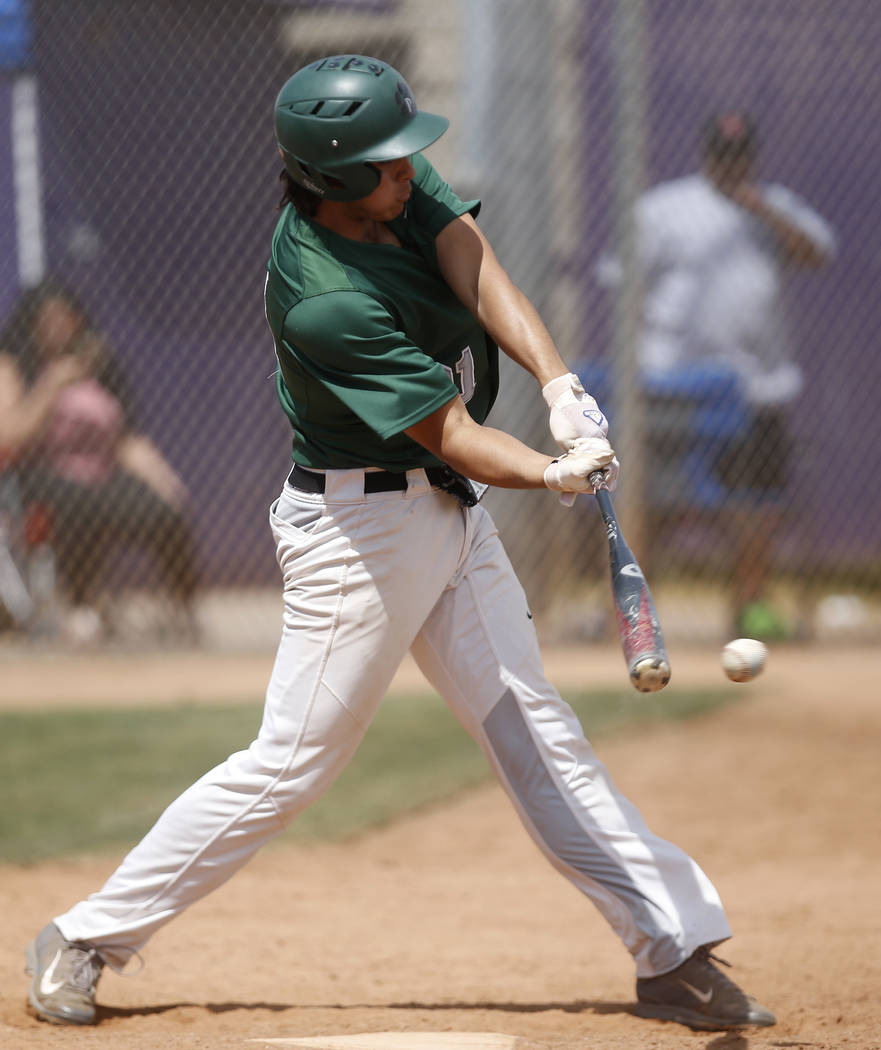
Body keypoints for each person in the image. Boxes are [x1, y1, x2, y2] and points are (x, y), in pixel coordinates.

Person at [24, 56, 774, 1033]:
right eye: (388, 166)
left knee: (536, 731)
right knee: (292, 761)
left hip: (442, 512)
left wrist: (555, 383)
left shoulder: (380, 184)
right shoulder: (323, 294)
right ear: (333, 180)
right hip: (358, 535)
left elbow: (471, 255)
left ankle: (668, 948)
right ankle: (82, 936)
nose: (408, 173)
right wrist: (550, 471)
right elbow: (453, 435)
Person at [595, 111, 837, 638]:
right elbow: (621, 281)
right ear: (707, 156)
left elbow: (818, 252)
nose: (732, 165)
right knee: (652, 500)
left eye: (741, 156)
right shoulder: (666, 208)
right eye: (723, 156)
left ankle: (750, 608)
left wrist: (764, 211)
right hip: (675, 388)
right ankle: (637, 610)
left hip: (754, 386)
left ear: (752, 157)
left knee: (756, 503)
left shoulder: (774, 205)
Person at [0, 278, 200, 642]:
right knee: (79, 505)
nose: (58, 327)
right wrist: (51, 385)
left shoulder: (98, 363)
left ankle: (182, 612)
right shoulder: (15, 364)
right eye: (48, 320)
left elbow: (127, 439)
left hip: (102, 472)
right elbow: (10, 435)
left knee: (165, 512)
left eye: (65, 318)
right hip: (41, 474)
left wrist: (163, 480)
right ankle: (82, 607)